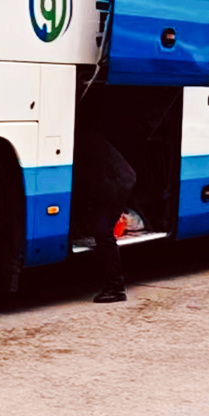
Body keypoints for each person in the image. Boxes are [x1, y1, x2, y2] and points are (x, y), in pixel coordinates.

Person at [73, 127, 137, 304]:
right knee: (99, 228)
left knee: (102, 231)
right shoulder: (87, 137)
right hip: (117, 181)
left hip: (115, 184)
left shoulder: (80, 141)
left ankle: (116, 288)